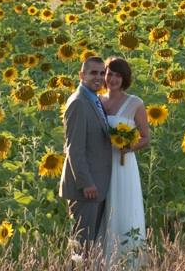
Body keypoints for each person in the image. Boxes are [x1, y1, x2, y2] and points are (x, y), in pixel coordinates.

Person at [100, 56, 150, 264]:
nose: (112, 79)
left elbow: (146, 138)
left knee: (123, 209)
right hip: (101, 163)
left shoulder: (134, 103)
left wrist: (128, 147)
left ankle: (128, 262)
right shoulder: (98, 100)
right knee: (102, 211)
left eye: (118, 75)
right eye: (109, 74)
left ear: (125, 78)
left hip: (123, 164)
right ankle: (102, 261)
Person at [60, 57, 114, 250]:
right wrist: (86, 183)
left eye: (102, 73)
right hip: (86, 189)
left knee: (91, 247)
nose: (99, 77)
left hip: (98, 185)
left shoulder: (94, 100)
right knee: (82, 248)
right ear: (82, 75)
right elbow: (74, 148)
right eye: (93, 73)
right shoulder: (79, 102)